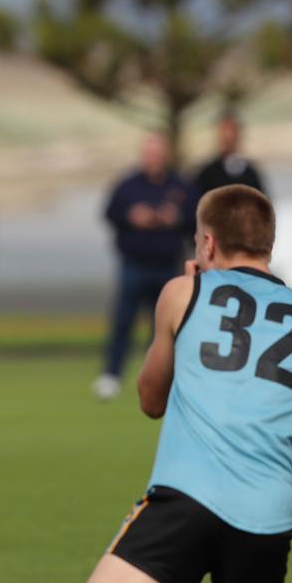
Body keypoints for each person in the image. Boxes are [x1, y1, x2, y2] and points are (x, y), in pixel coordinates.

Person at [41, 184, 292, 583]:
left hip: (186, 500)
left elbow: (150, 400)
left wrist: (177, 314)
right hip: (266, 521)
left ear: (209, 244)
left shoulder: (183, 294)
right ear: (268, 245)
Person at [93, 133, 195, 400]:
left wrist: (175, 217)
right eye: (149, 153)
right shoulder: (128, 185)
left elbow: (196, 219)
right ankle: (111, 376)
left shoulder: (180, 186)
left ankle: (159, 380)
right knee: (123, 322)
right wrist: (132, 216)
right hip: (134, 265)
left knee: (164, 328)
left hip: (166, 267)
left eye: (158, 153)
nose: (154, 158)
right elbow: (109, 214)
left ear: (166, 155)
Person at [192, 112, 268, 200]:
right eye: (224, 130)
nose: (228, 135)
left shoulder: (250, 173)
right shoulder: (206, 173)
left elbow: (263, 206)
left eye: (232, 130)